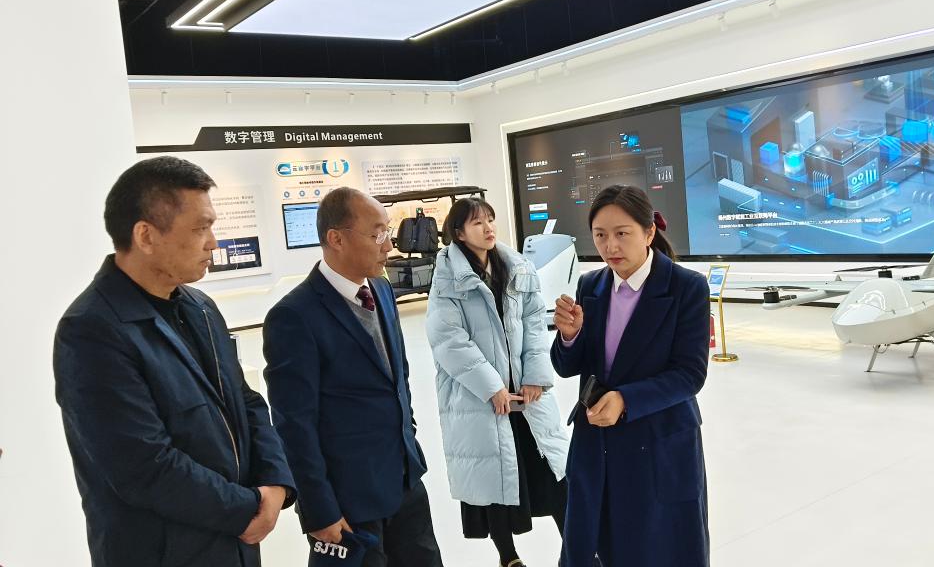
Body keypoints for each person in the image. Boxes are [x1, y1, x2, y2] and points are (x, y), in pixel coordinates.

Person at [53, 156, 296, 567]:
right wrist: (247, 508)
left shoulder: (201, 307)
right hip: (162, 550)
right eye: (201, 228)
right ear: (146, 235)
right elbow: (143, 466)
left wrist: (274, 483)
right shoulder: (92, 329)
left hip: (234, 544)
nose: (213, 243)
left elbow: (245, 401)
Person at [262, 187, 444, 567]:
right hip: (349, 502)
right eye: (377, 234)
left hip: (404, 482)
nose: (388, 244)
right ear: (337, 239)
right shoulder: (294, 316)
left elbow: (397, 375)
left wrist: (407, 436)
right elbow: (294, 424)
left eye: (387, 231)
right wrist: (318, 509)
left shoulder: (382, 289)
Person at [550, 185, 711, 567]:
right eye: (600, 235)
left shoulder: (686, 287)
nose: (610, 246)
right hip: (596, 443)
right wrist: (570, 336)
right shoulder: (591, 285)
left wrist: (626, 400)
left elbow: (690, 373)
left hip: (658, 441)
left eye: (622, 233)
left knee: (658, 548)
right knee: (593, 544)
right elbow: (568, 366)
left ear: (649, 232)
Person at [426, 198, 570, 567]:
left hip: (526, 392)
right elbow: (448, 339)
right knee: (493, 479)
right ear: (459, 233)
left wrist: (536, 375)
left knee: (554, 472)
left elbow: (535, 322)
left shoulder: (517, 267)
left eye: (490, 219)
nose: (489, 228)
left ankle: (579, 550)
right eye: (477, 223)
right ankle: (509, 557)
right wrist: (491, 387)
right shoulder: (447, 277)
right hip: (480, 397)